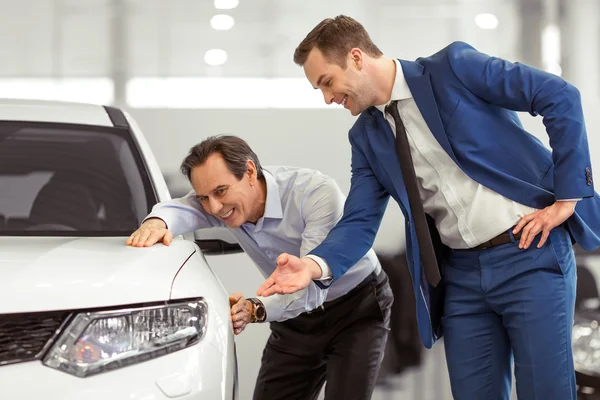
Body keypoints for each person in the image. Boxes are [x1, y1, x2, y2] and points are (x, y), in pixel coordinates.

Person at [256, 15, 600, 399]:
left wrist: (568, 199)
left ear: (356, 57)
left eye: (327, 82)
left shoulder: (453, 68)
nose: (327, 98)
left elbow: (560, 96)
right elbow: (359, 221)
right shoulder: (366, 137)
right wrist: (313, 265)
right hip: (462, 278)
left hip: (530, 255)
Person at [126, 135, 393, 400]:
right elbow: (182, 209)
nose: (215, 208)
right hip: (292, 318)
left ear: (250, 171)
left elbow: (311, 288)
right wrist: (158, 222)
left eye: (220, 191)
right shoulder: (221, 203)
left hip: (357, 309)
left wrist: (254, 308)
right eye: (204, 197)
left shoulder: (314, 193)